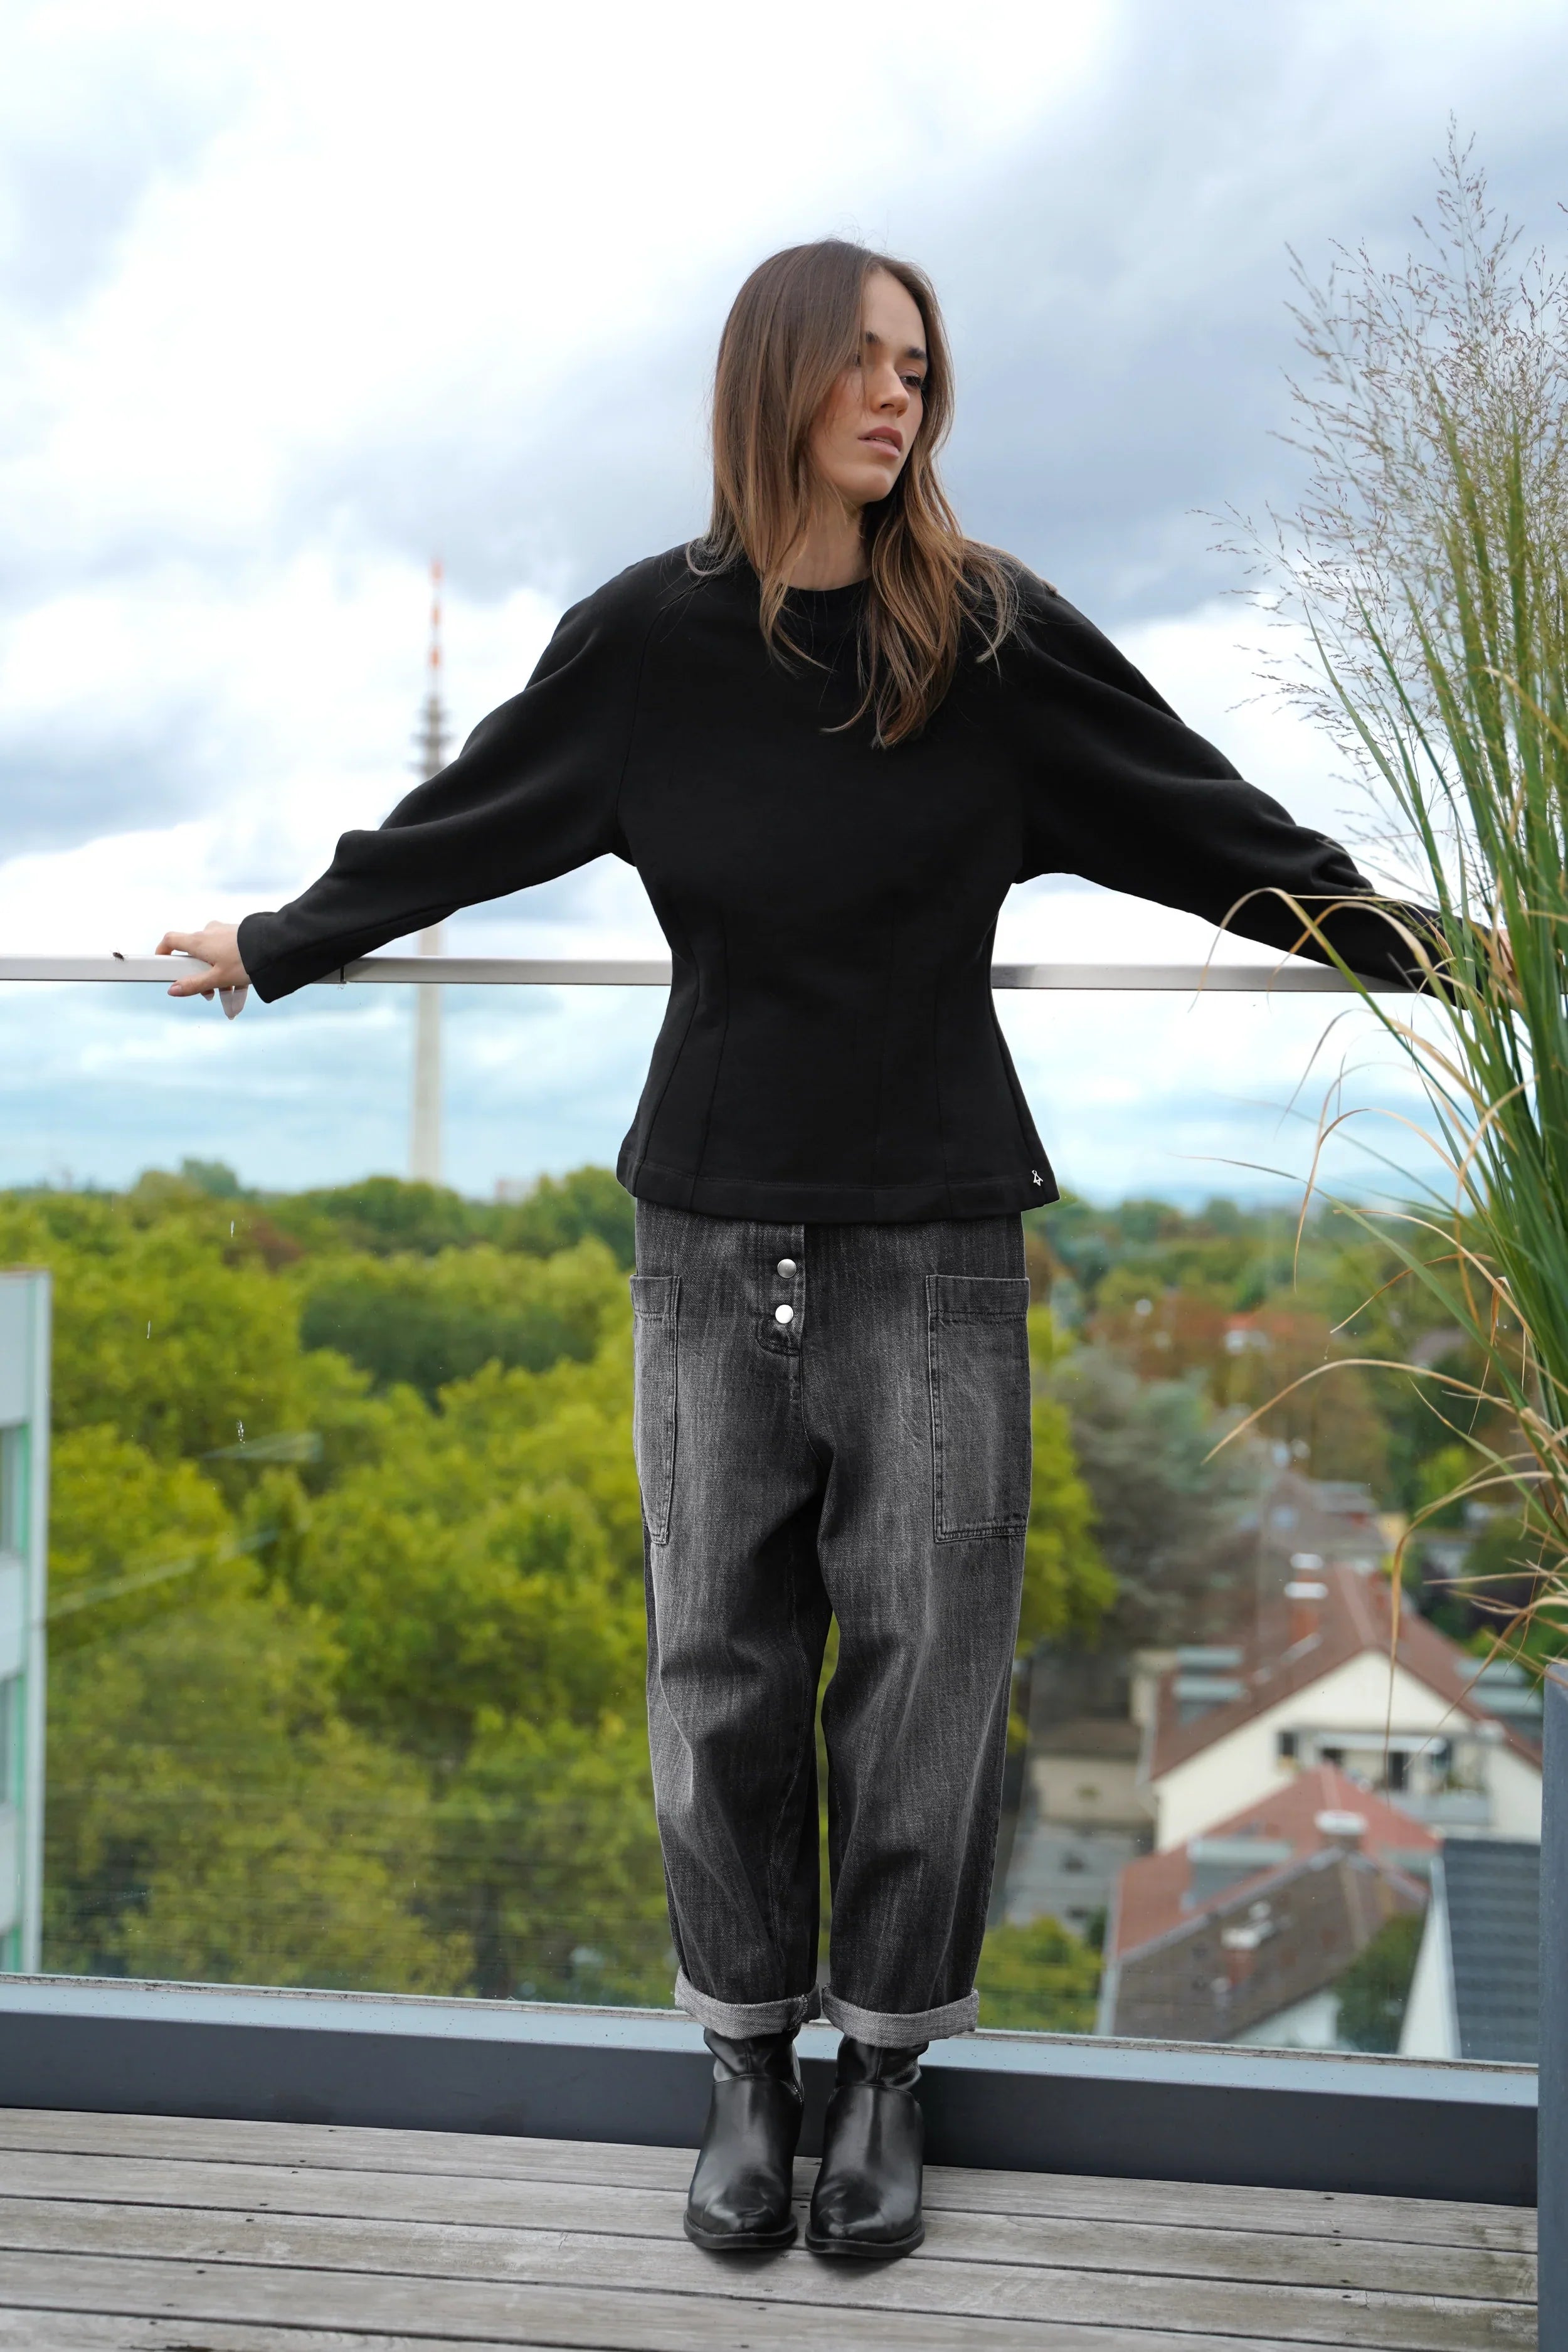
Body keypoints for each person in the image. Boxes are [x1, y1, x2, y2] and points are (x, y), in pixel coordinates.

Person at [159, 240, 1435, 2261]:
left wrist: (1443, 958)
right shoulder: (646, 646)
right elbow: (465, 822)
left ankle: (886, 2083)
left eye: (917, 368)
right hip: (704, 1242)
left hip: (931, 1248)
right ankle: (743, 2071)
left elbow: (1216, 833)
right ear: (770, 381)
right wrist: (281, 943)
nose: (894, 398)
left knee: (928, 1683)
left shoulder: (992, 639)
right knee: (718, 1672)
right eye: (856, 363)